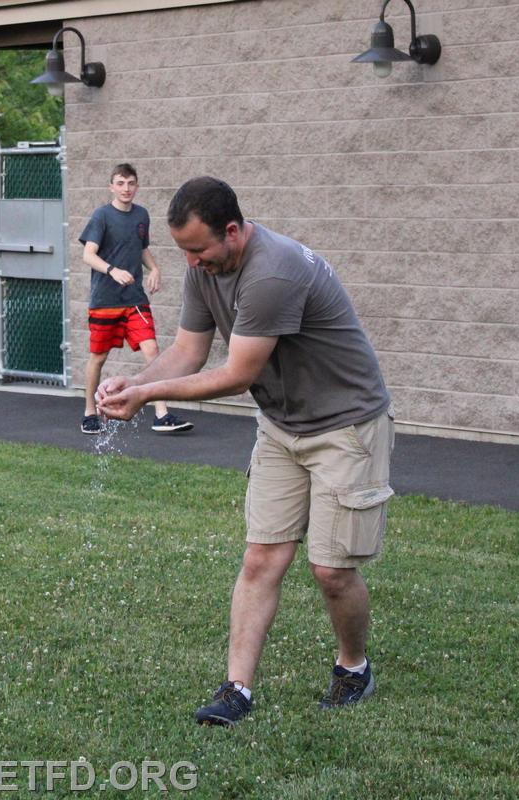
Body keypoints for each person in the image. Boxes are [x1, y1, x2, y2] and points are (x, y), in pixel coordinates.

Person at [96, 177, 394, 725]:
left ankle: (354, 667)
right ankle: (237, 690)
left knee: (331, 570)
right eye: (182, 250)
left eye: (199, 249)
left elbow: (237, 375)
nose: (191, 262)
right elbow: (186, 353)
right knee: (262, 557)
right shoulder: (203, 269)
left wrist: (146, 395)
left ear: (232, 232)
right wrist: (132, 382)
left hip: (345, 425)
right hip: (282, 424)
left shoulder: (272, 272)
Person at [78, 163, 193, 435]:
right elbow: (88, 255)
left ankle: (161, 414)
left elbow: (141, 248)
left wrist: (154, 268)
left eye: (130, 183)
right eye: (120, 183)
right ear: (112, 187)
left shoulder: (141, 215)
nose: (126, 188)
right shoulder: (101, 216)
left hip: (134, 300)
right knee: (98, 357)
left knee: (152, 350)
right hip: (105, 301)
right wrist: (112, 270)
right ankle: (89, 413)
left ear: (137, 186)